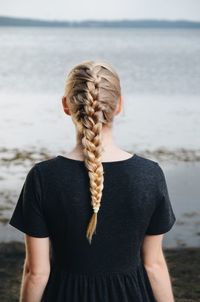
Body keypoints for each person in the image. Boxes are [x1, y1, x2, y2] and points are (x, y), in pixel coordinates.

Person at [9, 60, 176, 302]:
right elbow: (154, 264)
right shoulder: (150, 174)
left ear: (66, 105)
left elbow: (36, 272)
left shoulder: (43, 177)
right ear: (118, 105)